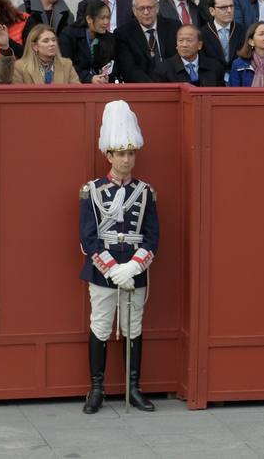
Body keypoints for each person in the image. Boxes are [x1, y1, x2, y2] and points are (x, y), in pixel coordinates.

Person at [78, 100, 159, 414]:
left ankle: (133, 388)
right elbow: (87, 238)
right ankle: (96, 389)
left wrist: (135, 266)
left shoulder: (145, 192)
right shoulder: (92, 191)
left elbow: (152, 236)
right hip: (103, 271)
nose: (127, 159)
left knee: (132, 327)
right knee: (100, 326)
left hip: (135, 269)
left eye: (131, 153)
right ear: (108, 156)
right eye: (121, 154)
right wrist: (113, 270)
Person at [115, 0, 180, 83]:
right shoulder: (123, 33)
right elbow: (129, 69)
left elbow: (178, 60)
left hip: (171, 83)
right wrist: (153, 87)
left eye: (150, 7)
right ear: (134, 11)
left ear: (157, 8)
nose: (146, 12)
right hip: (141, 87)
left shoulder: (173, 27)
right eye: (141, 8)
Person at [61, 0, 123, 84]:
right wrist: (89, 78)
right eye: (102, 18)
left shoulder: (109, 38)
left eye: (108, 18)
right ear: (89, 19)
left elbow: (113, 64)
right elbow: (66, 65)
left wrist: (106, 75)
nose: (106, 22)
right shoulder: (69, 35)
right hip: (76, 84)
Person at [153, 25, 225, 86]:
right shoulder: (163, 69)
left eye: (189, 40)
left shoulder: (214, 67)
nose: (184, 45)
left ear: (199, 45)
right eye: (181, 40)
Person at [11, 24, 79, 84]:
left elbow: (77, 93)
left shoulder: (67, 65)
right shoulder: (19, 67)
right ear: (35, 46)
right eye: (46, 41)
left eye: (53, 40)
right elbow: (19, 97)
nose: (52, 44)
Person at [200, 0, 241, 75]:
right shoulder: (202, 33)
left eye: (231, 6)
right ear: (212, 11)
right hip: (212, 81)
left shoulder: (242, 31)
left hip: (238, 81)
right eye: (223, 7)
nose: (229, 10)